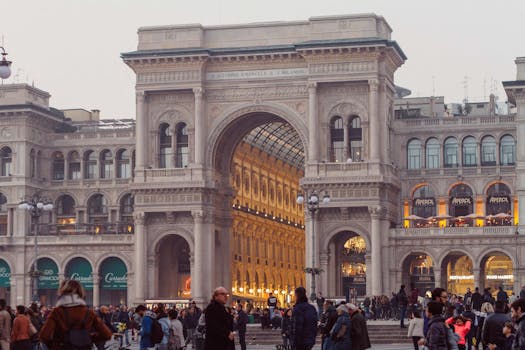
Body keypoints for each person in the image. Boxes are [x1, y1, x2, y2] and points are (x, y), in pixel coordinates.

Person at [39, 279, 112, 350]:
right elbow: (107, 334)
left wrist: (55, 345)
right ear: (81, 293)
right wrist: (88, 338)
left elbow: (44, 336)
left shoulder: (57, 312)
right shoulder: (89, 313)